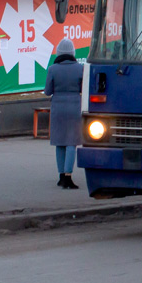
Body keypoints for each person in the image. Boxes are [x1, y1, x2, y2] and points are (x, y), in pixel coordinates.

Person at [44, 37, 83, 189]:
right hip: (74, 107)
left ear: (58, 53)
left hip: (58, 108)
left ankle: (61, 176)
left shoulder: (53, 69)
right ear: (72, 52)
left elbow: (48, 91)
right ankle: (68, 176)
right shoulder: (80, 68)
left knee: (59, 142)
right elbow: (83, 89)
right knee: (71, 143)